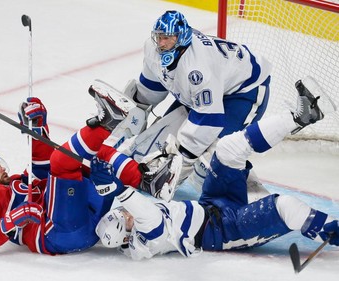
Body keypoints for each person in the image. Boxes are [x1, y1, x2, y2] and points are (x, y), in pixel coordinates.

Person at [95, 78, 339, 260]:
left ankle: (300, 116)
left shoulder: (134, 229)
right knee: (286, 207)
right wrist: (119, 191)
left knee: (227, 148)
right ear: (126, 237)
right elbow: (149, 215)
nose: (127, 215)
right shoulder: (145, 242)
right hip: (227, 231)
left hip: (211, 204)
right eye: (124, 222)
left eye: (121, 213)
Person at [0, 96, 158, 254]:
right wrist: (17, 216)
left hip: (84, 218)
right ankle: (106, 122)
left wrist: (37, 129)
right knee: (62, 161)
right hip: (59, 232)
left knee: (94, 155)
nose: (2, 169)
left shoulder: (17, 182)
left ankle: (148, 181)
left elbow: (42, 168)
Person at [123, 10, 273, 191]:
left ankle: (255, 200)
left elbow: (208, 121)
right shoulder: (153, 49)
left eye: (167, 38)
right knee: (154, 148)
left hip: (243, 92)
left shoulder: (198, 68)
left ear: (181, 38)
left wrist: (181, 163)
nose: (161, 44)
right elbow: (152, 87)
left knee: (213, 160)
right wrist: (136, 109)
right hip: (210, 89)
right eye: (159, 37)